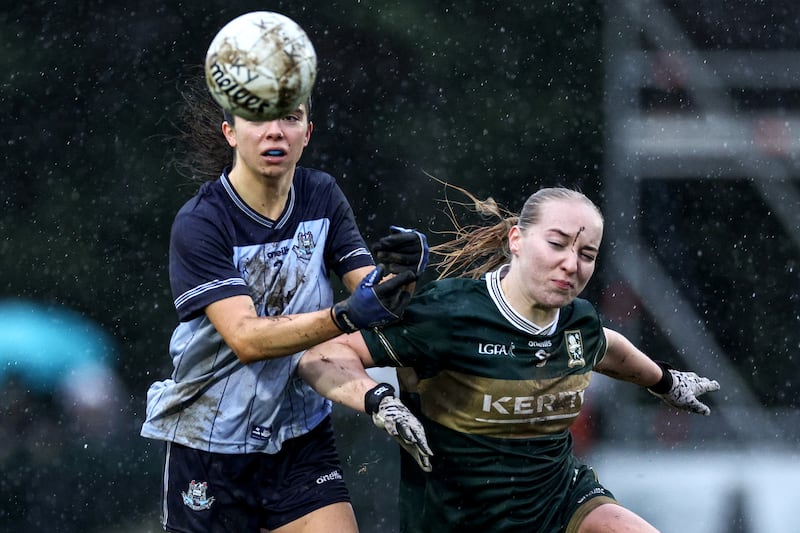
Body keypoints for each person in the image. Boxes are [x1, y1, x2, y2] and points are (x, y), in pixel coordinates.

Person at [297, 186, 721, 533]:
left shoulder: (578, 321)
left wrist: (665, 382)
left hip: (562, 503)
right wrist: (379, 401)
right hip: (459, 521)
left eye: (587, 254)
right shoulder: (449, 314)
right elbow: (322, 355)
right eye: (556, 244)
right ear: (516, 240)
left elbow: (607, 347)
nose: (571, 264)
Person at [140, 70, 428, 533]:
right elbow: (246, 339)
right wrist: (344, 316)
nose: (275, 131)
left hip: (300, 436)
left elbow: (372, 294)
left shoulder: (320, 194)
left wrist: (402, 275)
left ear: (307, 133)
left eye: (290, 118)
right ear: (230, 132)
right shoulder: (201, 221)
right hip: (211, 444)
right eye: (259, 118)